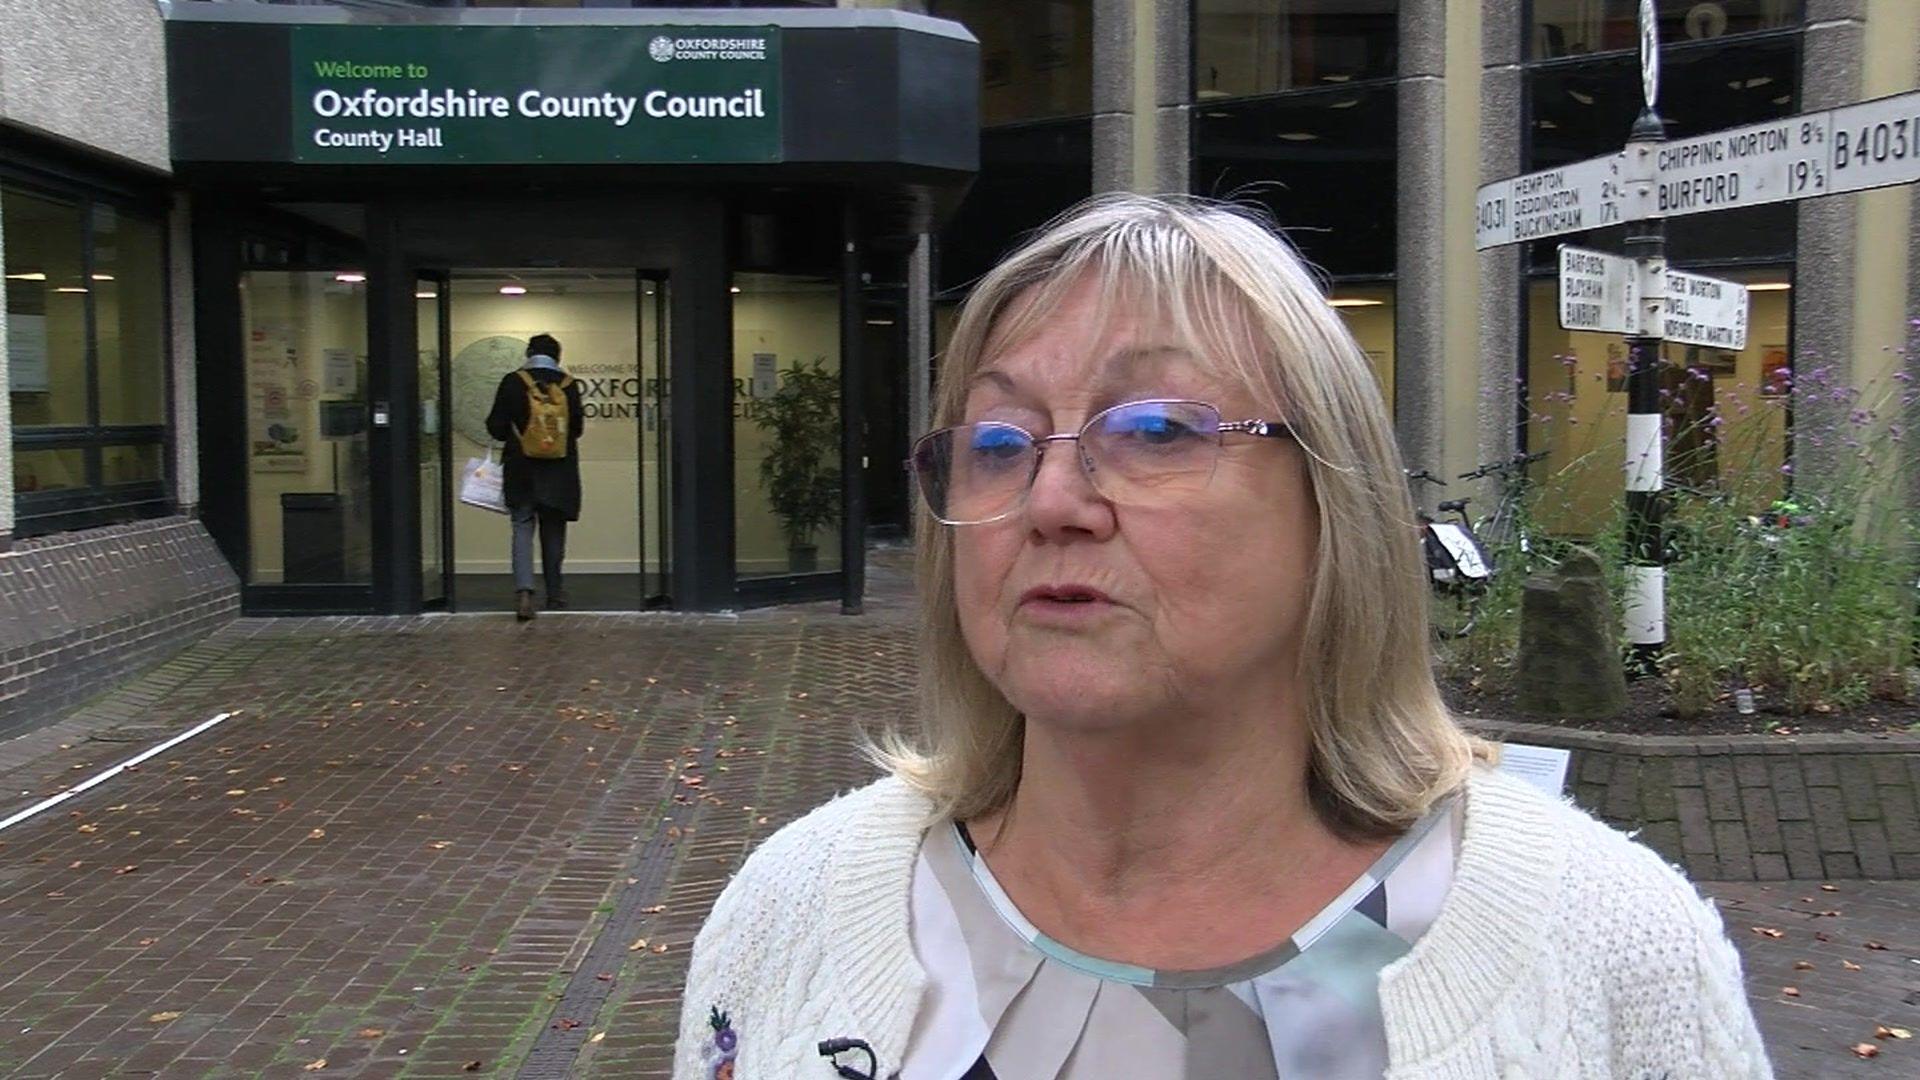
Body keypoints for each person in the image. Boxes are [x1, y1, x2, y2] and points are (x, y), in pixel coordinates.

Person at [675, 196, 1771, 1079]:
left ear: (1329, 503)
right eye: (1001, 442)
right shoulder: (794, 909)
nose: (1051, 500)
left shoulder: (1610, 950)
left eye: (1154, 429)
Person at [486, 333, 584, 621]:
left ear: (529, 353)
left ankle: (525, 593)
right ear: (558, 356)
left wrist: (518, 435)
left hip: (521, 469)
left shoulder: (512, 382)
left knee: (522, 526)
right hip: (559, 471)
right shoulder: (568, 385)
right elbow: (577, 429)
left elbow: (496, 426)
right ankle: (555, 592)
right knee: (553, 529)